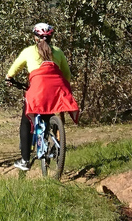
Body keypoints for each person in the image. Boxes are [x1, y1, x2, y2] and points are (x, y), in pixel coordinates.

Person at [5, 23, 79, 171]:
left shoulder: (28, 51)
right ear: (51, 37)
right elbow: (67, 75)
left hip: (38, 89)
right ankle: (50, 142)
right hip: (57, 89)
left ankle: (25, 160)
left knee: (26, 122)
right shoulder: (58, 52)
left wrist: (9, 78)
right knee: (48, 113)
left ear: (35, 37)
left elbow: (13, 69)